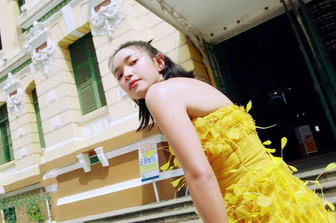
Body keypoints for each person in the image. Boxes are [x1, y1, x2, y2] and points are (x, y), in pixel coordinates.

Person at [110, 40, 336, 223]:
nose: (127, 74)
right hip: (284, 195)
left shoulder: (159, 94)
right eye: (119, 75)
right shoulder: (197, 86)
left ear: (158, 62)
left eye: (133, 62)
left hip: (252, 209)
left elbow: (200, 175)